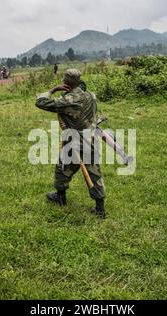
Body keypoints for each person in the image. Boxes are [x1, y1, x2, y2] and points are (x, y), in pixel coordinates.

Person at [35, 69, 106, 218]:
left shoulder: (68, 100)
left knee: (62, 169)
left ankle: (60, 197)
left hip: (73, 141)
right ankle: (100, 209)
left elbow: (40, 102)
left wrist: (53, 90)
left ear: (66, 83)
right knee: (94, 173)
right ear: (79, 81)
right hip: (90, 138)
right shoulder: (91, 95)